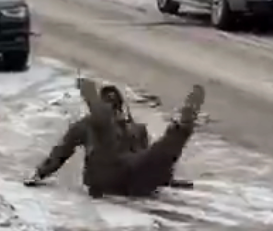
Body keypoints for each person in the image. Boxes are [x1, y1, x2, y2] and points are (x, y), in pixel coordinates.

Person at [27, 78, 204, 197]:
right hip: (105, 176)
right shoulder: (86, 125)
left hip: (132, 178)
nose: (115, 109)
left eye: (114, 105)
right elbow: (62, 151)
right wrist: (41, 173)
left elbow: (151, 160)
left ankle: (181, 128)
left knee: (159, 150)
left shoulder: (135, 129)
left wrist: (165, 177)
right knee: (103, 130)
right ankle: (96, 105)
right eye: (109, 105)